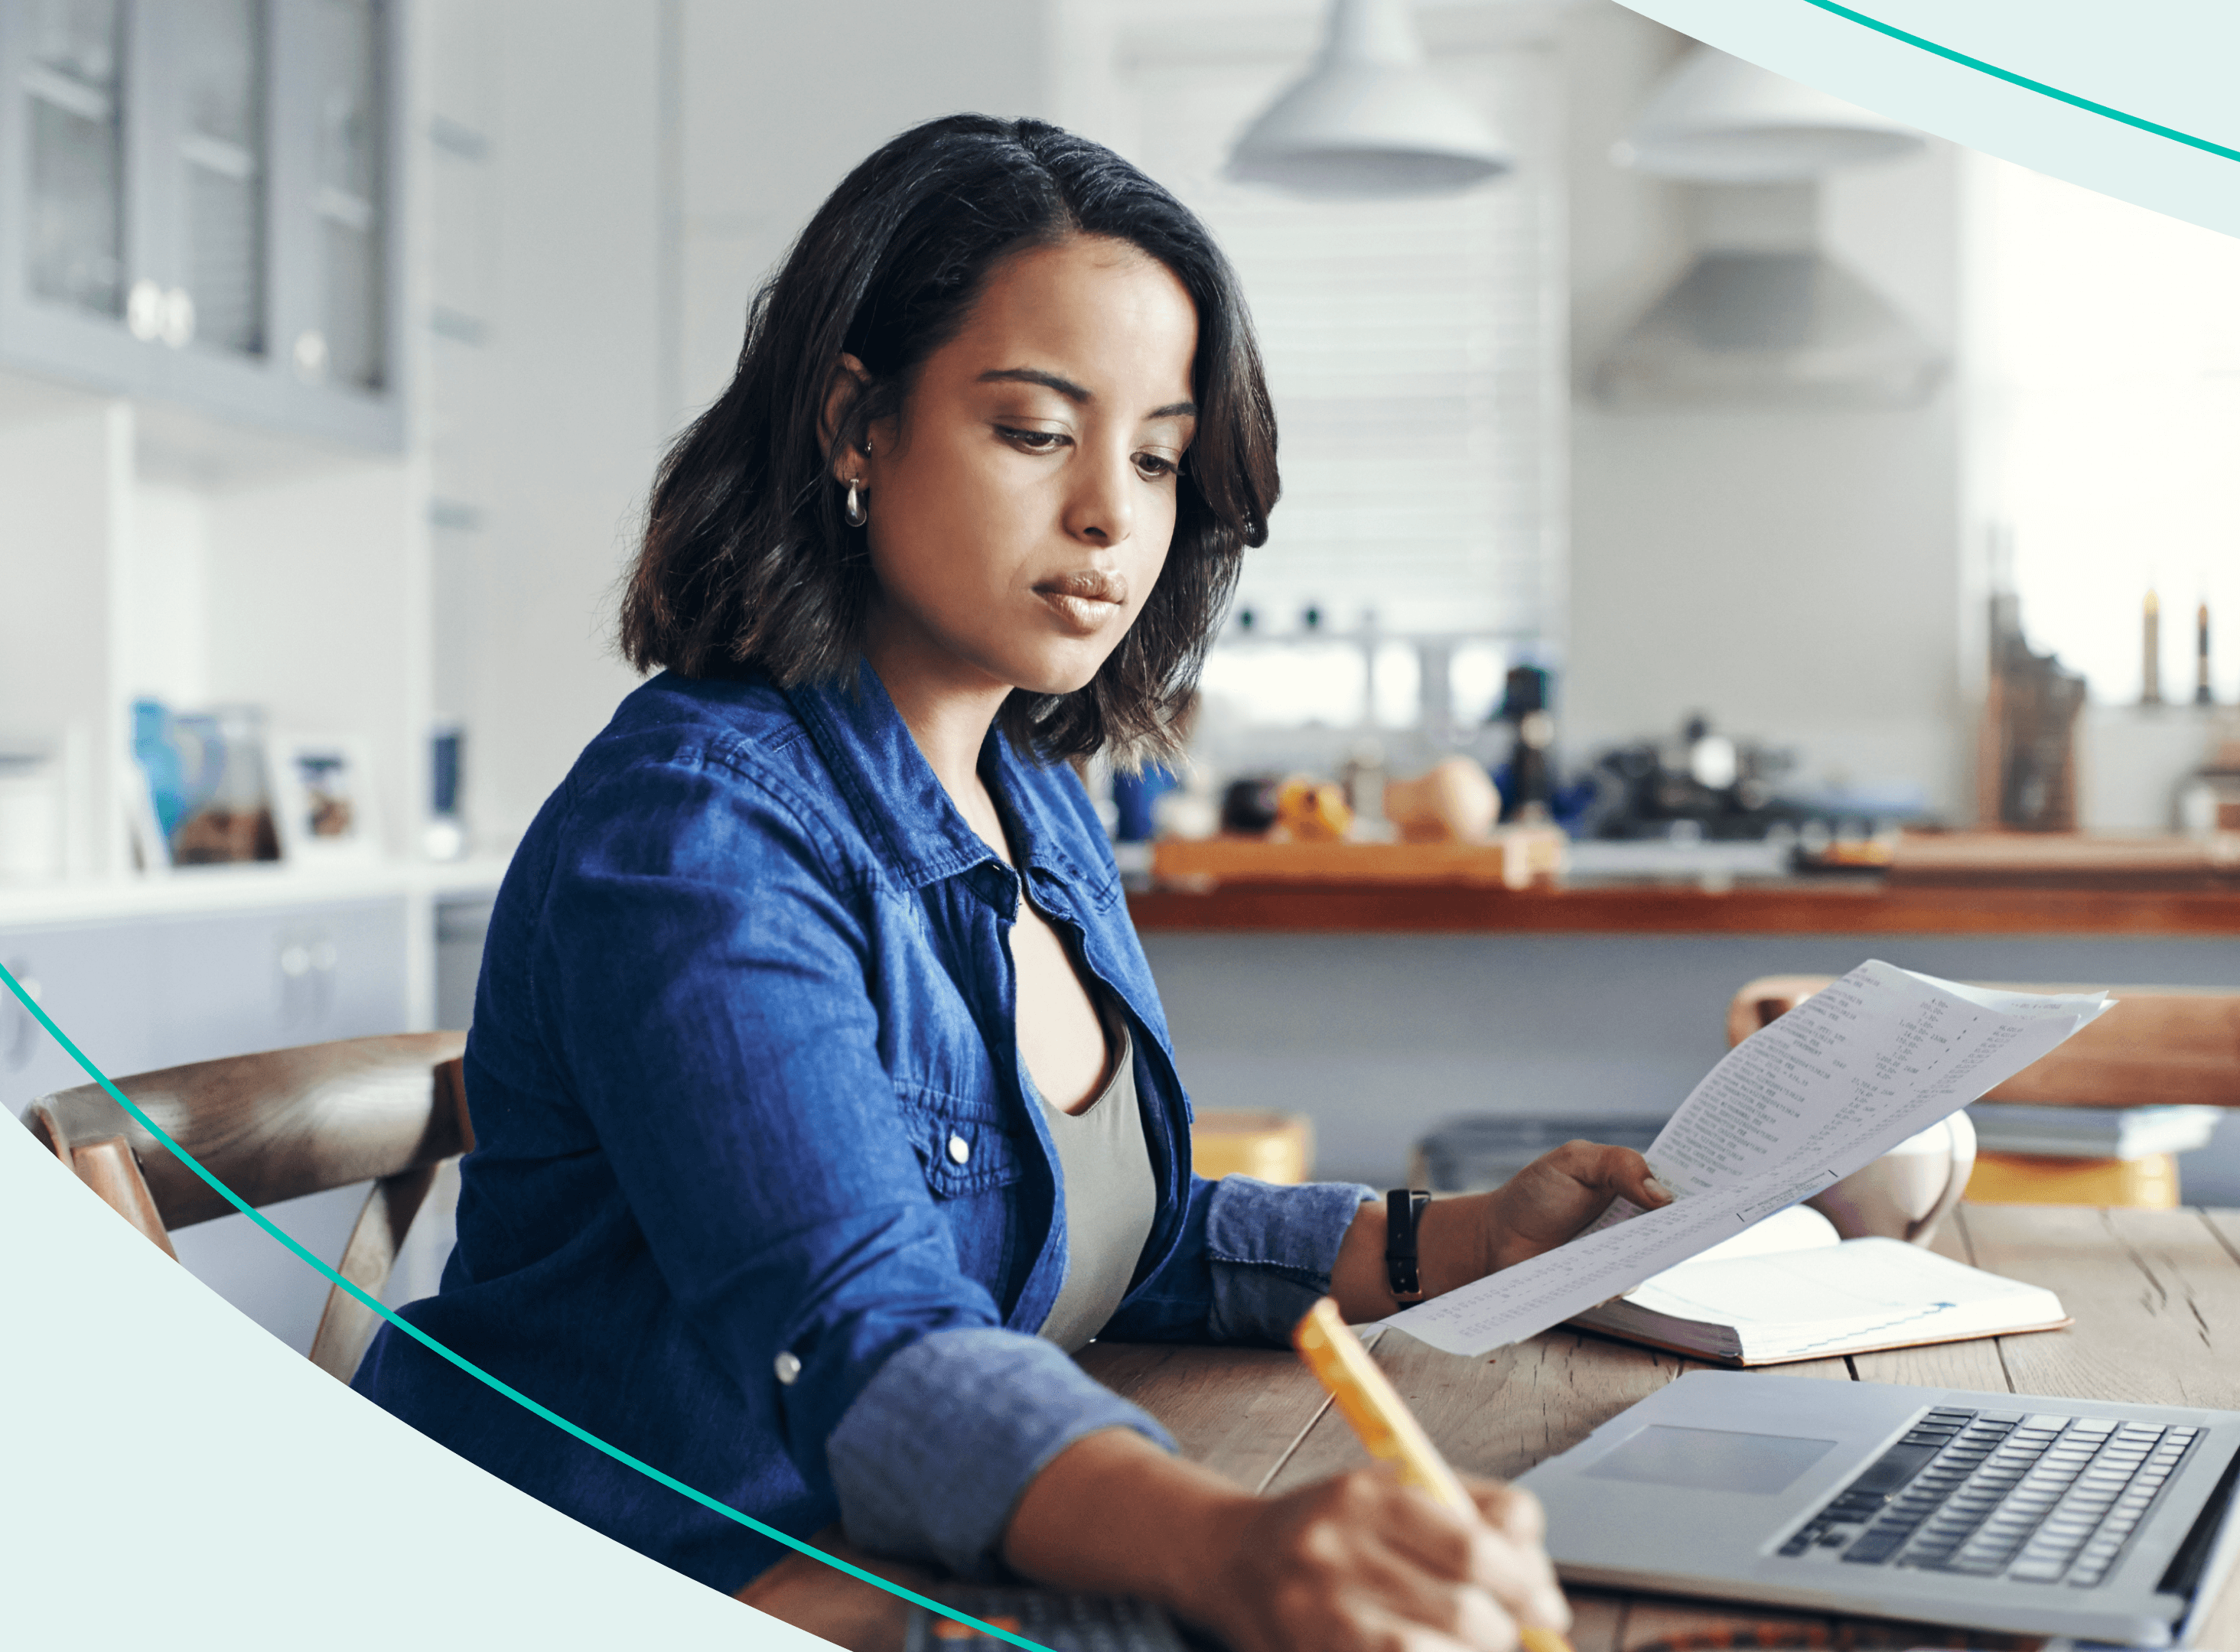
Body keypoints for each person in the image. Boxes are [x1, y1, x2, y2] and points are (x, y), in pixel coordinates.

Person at [353, 113, 1673, 1652]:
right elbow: (873, 1334)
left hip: (870, 1548)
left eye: (1161, 456)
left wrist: (1451, 1243)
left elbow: (1103, 1233)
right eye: (1038, 432)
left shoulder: (1033, 800)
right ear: (858, 423)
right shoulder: (695, 838)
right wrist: (1237, 1549)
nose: (1112, 513)